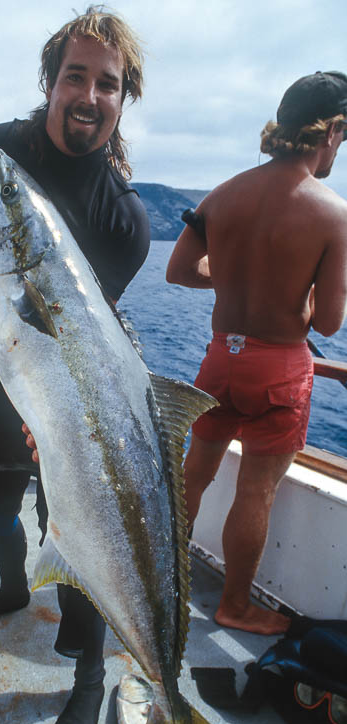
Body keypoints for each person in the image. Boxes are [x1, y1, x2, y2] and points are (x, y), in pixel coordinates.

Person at [0, 7, 149, 724]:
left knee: (77, 527)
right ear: (51, 83)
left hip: (67, 394)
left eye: (106, 84)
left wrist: (49, 409)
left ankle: (87, 672)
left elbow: (91, 338)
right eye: (74, 76)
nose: (88, 94)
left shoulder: (125, 220)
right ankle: (16, 584)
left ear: (122, 99)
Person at [166, 71, 347, 636]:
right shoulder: (333, 214)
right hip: (278, 371)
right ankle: (235, 605)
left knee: (193, 476)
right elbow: (330, 322)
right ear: (332, 132)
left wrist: (235, 279)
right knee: (256, 490)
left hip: (220, 359)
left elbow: (176, 272)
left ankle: (166, 581)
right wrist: (304, 287)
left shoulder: (222, 195)